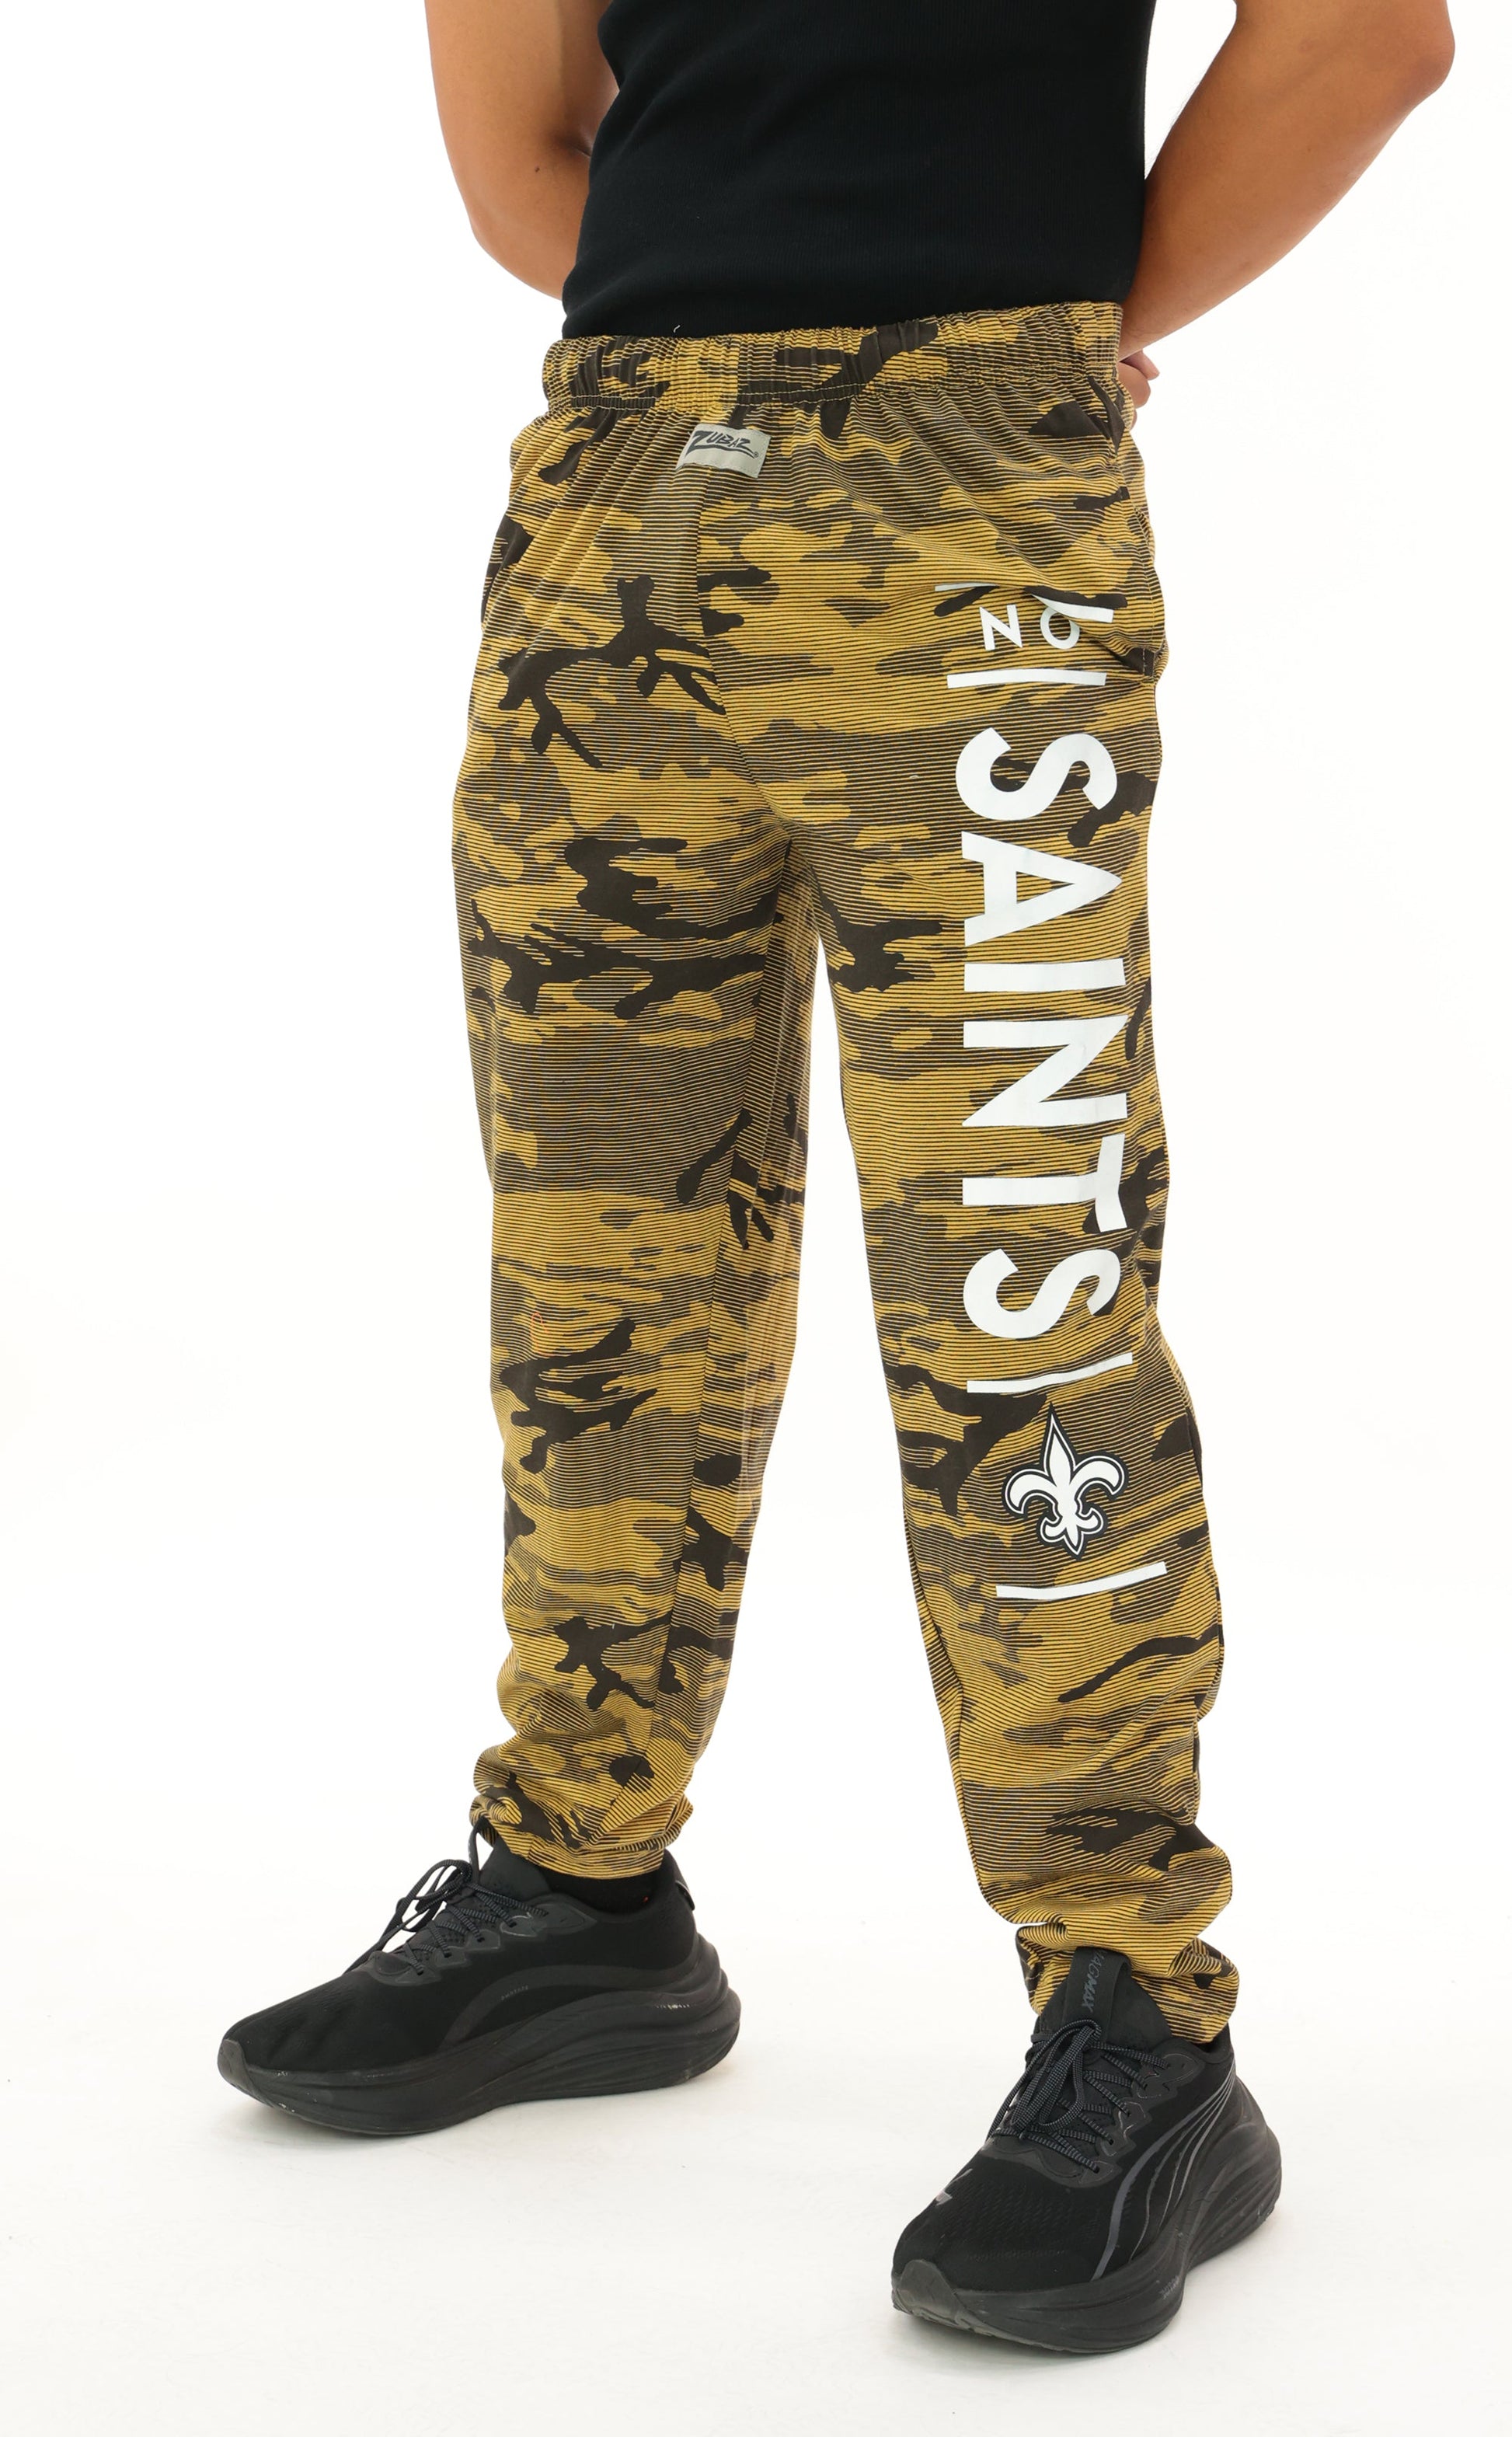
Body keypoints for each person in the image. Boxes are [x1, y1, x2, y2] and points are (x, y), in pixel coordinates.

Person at [218, 0, 1453, 2355]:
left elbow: (1366, 35)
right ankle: (581, 1887)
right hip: (619, 509)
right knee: (602, 1259)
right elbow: (521, 158)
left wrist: (1037, 332)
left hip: (971, 503)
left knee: (1017, 1276)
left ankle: (1135, 2009)